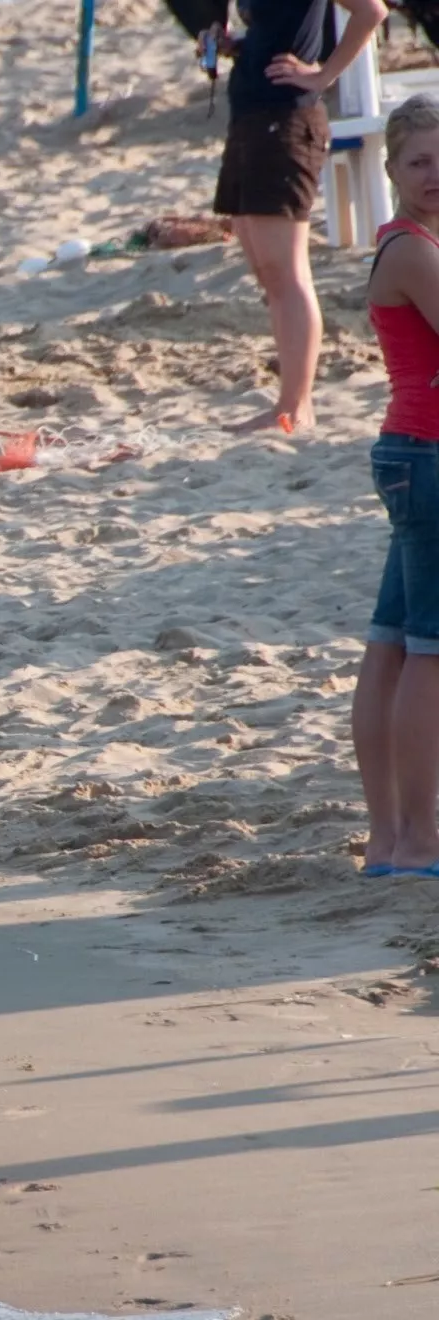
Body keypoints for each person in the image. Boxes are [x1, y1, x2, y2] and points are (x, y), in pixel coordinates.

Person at [207, 0, 386, 433]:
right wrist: (232, 44)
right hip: (250, 114)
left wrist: (323, 74)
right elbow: (279, 27)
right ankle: (289, 401)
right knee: (265, 266)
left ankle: (295, 406)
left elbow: (372, 12)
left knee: (286, 271)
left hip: (288, 119)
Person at [354, 93, 439, 879]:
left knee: (391, 645)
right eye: (420, 163)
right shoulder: (412, 249)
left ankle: (388, 841)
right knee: (428, 652)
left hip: (411, 452)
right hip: (427, 455)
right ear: (394, 172)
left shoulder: (419, 242)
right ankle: (417, 841)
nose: (436, 175)